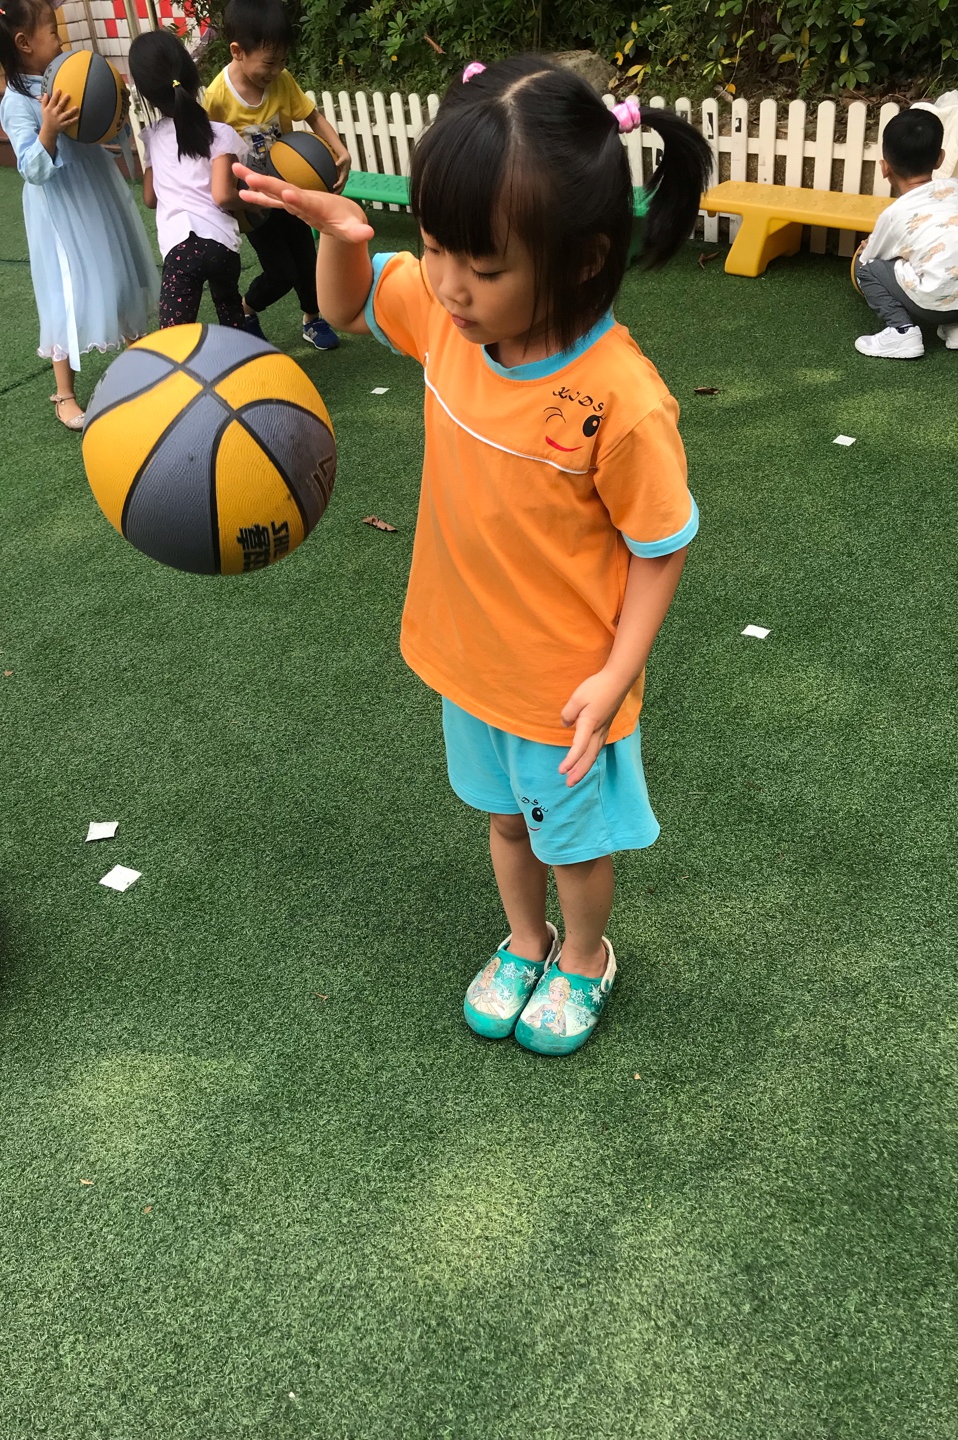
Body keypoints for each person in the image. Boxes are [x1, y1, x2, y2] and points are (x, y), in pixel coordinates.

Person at [236, 57, 712, 1056]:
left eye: (485, 268)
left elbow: (660, 546)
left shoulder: (621, 400)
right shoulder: (448, 318)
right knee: (504, 823)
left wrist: (617, 675)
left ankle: (585, 955)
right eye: (434, 246)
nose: (450, 285)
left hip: (563, 688)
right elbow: (353, 307)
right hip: (469, 658)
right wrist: (345, 239)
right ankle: (525, 940)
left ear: (580, 260)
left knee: (571, 844)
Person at [0, 0, 158, 430]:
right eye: (52, 31)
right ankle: (64, 393)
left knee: (118, 273)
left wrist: (114, 109)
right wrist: (49, 127)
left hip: (95, 191)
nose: (60, 38)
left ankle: (142, 363)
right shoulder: (16, 102)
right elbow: (31, 169)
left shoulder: (68, 74)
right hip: (60, 212)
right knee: (66, 292)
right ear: (24, 42)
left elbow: (99, 127)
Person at [203, 0, 351, 350]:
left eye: (283, 60)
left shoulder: (282, 81)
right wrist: (227, 199)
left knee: (307, 261)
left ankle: (312, 319)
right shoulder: (217, 97)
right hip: (253, 200)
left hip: (290, 190)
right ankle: (247, 310)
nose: (277, 70)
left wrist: (339, 150)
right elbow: (209, 152)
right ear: (237, 51)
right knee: (281, 272)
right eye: (269, 62)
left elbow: (312, 115)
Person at [854, 107, 958, 359]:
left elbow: (873, 255)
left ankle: (902, 332)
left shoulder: (894, 214)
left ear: (884, 167)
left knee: (865, 266)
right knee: (948, 258)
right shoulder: (956, 190)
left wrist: (867, 245)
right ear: (940, 158)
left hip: (934, 304)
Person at [129, 29, 246, 330]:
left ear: (148, 96)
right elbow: (223, 195)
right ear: (192, 75)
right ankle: (244, 356)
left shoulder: (152, 137)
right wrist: (253, 205)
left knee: (174, 335)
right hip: (220, 243)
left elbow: (149, 198)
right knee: (230, 310)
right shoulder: (220, 134)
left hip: (180, 246)